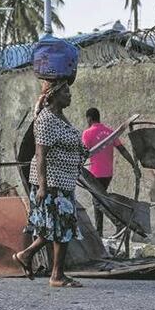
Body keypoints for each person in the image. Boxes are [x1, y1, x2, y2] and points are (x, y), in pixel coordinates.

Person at [13, 80, 86, 288]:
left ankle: (27, 257)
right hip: (52, 182)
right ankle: (56, 275)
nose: (70, 95)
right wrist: (43, 187)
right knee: (60, 228)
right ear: (54, 95)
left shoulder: (59, 117)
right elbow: (40, 154)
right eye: (66, 91)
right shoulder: (45, 120)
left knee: (57, 228)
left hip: (64, 180)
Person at [81, 107, 140, 236]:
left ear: (89, 118)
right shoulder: (109, 132)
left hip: (94, 174)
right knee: (98, 200)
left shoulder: (87, 133)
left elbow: (83, 153)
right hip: (108, 174)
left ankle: (118, 223)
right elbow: (122, 150)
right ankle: (99, 232)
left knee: (98, 201)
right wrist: (134, 165)